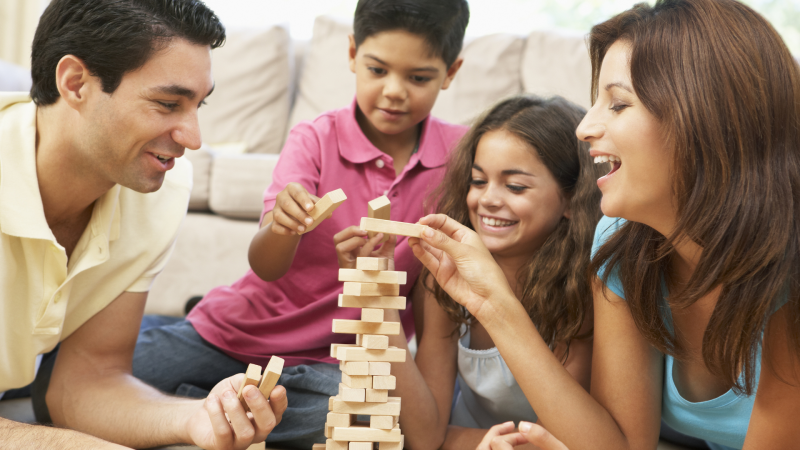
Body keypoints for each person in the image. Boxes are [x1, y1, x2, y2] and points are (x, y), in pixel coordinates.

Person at [407, 0, 800, 449]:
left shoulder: (789, 267)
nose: (585, 127)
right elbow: (621, 445)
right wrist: (494, 304)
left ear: (704, 118)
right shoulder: (622, 243)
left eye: (617, 104)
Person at [132, 0, 469, 447]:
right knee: (88, 379)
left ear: (451, 72)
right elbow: (266, 266)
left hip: (337, 364)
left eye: (419, 78)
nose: (393, 91)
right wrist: (282, 228)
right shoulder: (314, 139)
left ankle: (202, 404)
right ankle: (209, 396)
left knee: (369, 426)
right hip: (236, 334)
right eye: (377, 69)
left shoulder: (459, 158)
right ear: (352, 54)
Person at [0, 1, 288, 449]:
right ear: (75, 83)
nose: (193, 138)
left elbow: (87, 381)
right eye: (167, 103)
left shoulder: (158, 190)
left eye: (197, 105)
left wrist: (195, 419)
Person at [381, 95, 604, 450]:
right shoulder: (445, 278)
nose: (487, 199)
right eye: (478, 180)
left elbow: (559, 436)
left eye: (515, 186)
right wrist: (380, 303)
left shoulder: (580, 291)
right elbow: (425, 435)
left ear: (571, 199)